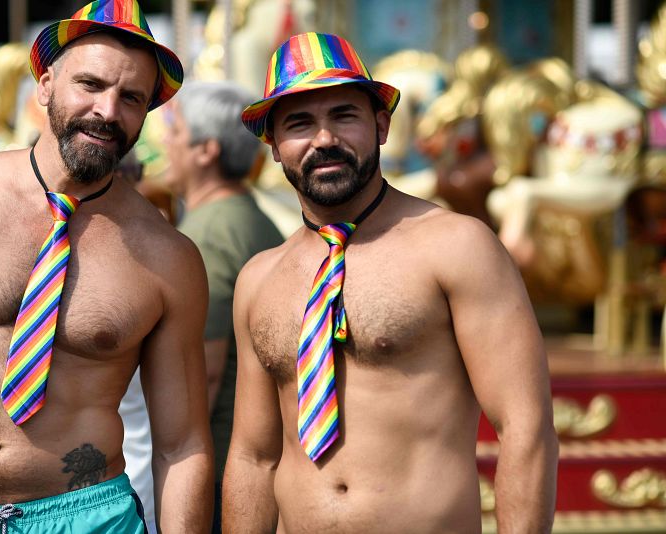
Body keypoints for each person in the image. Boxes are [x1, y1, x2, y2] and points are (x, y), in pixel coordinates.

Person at [0, 1, 214, 533]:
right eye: (90, 84)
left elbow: (182, 444)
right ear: (46, 85)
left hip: (92, 519)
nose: (107, 110)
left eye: (131, 98)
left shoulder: (168, 256)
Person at [223, 32, 558, 533]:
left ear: (381, 125)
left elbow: (524, 427)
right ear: (272, 145)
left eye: (344, 116)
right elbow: (254, 457)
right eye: (299, 123)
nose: (324, 139)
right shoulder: (258, 278)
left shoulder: (457, 246)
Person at [160, 81, 284, 532]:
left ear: (205, 150)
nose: (165, 143)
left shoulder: (209, 235)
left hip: (220, 463)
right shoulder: (249, 217)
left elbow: (204, 371)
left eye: (176, 131)